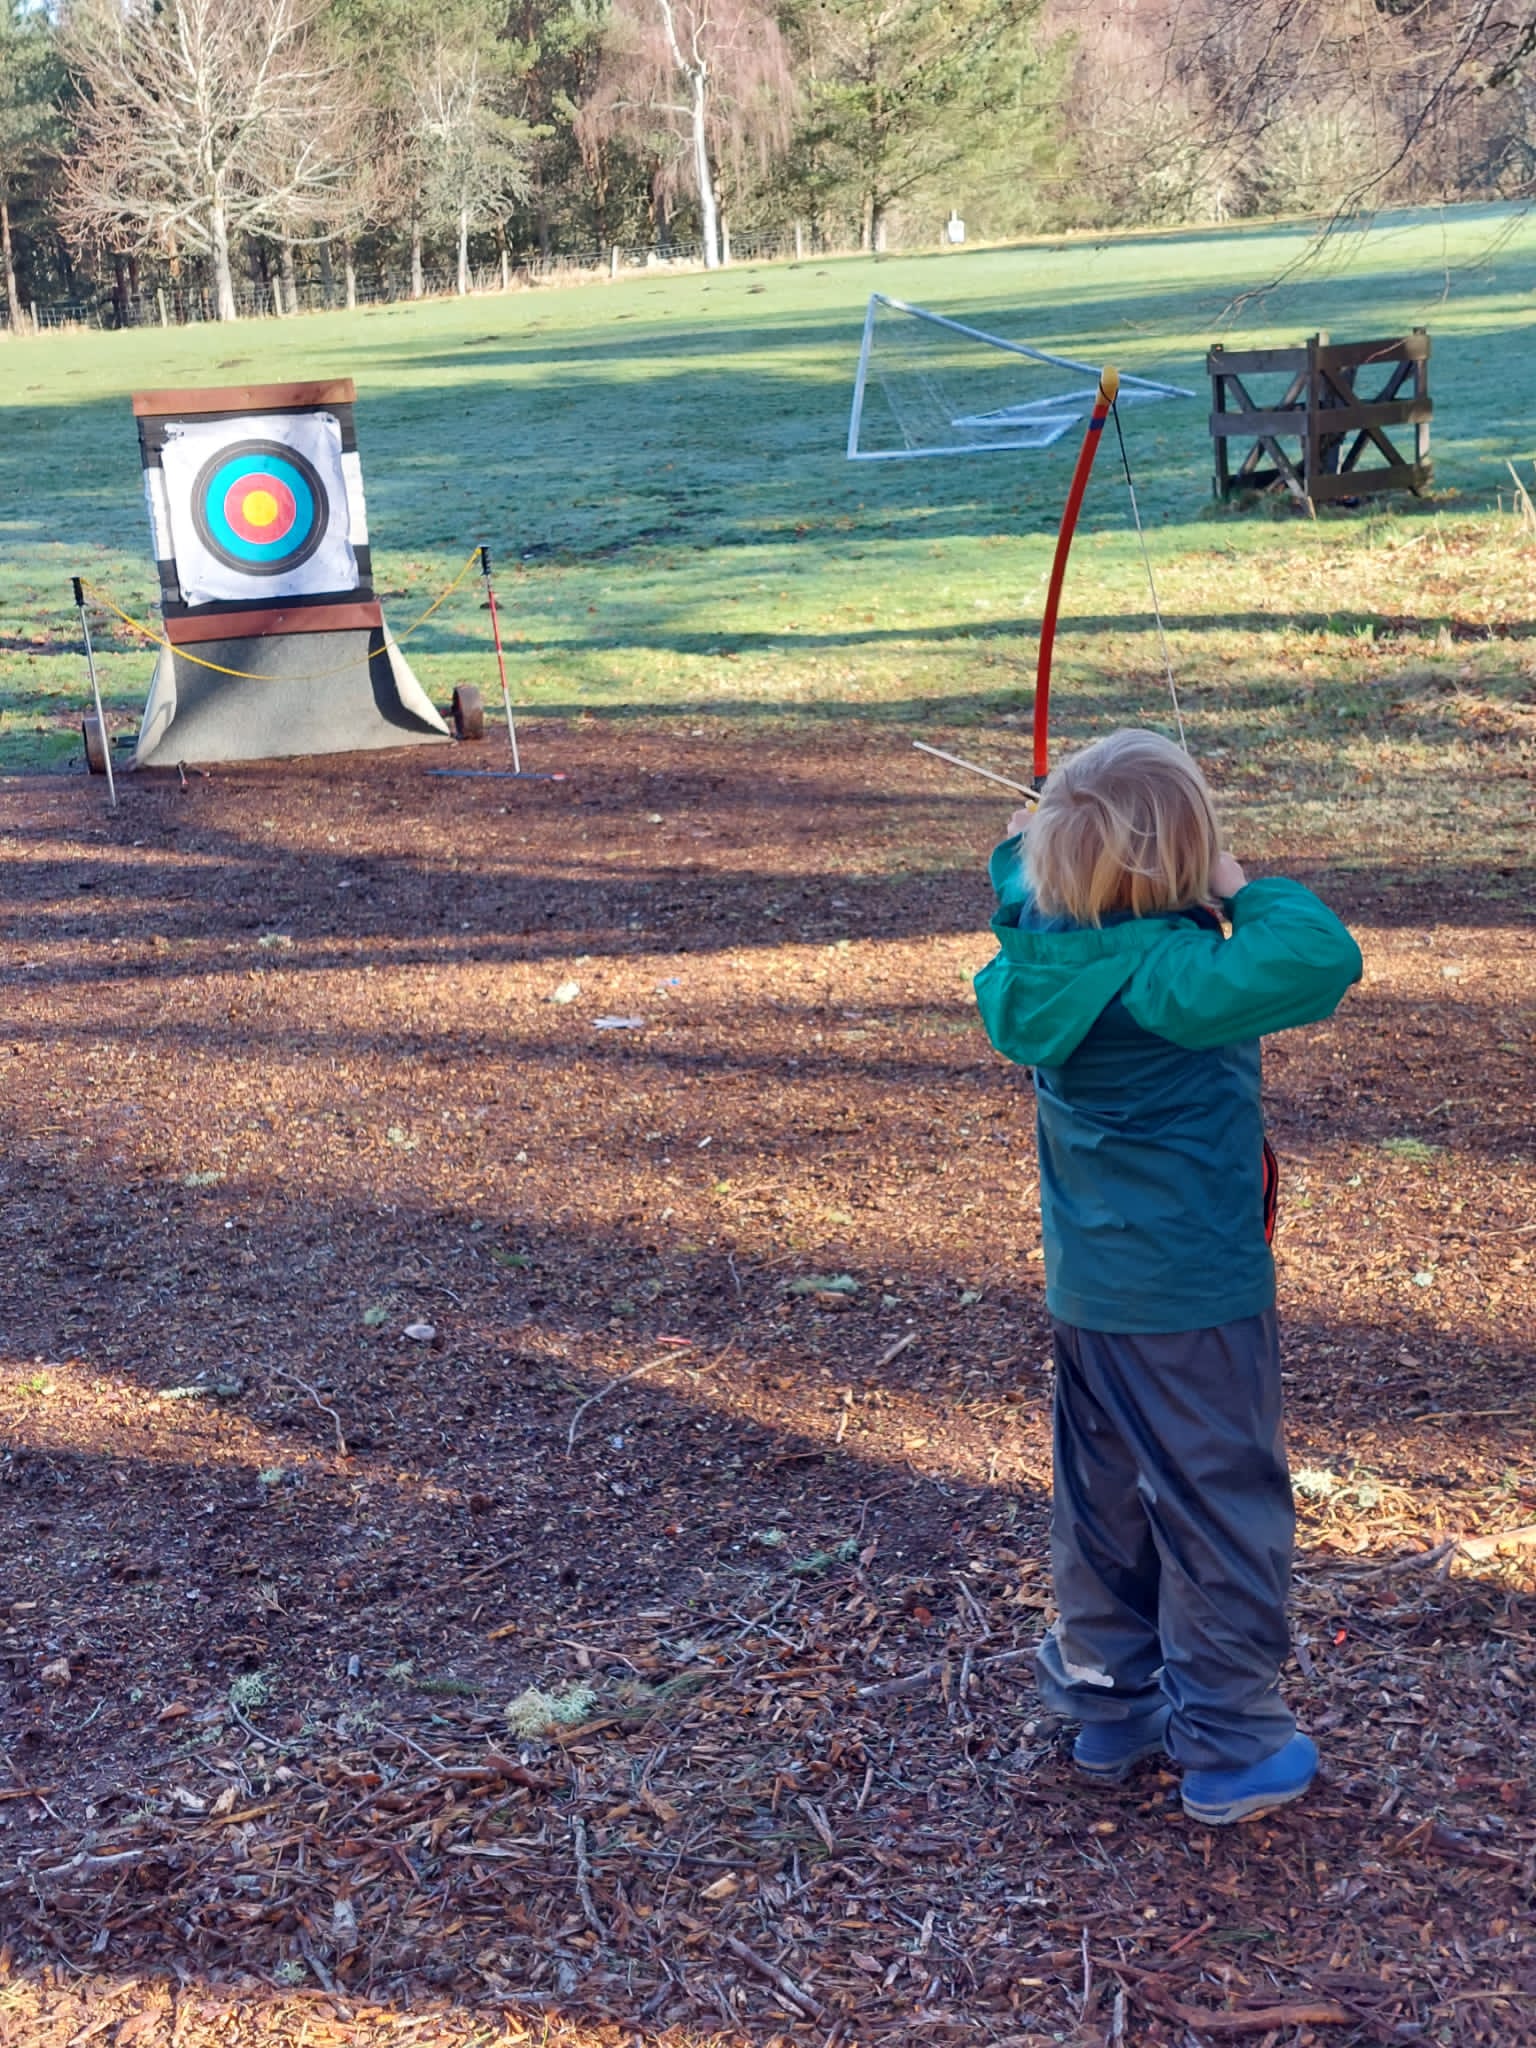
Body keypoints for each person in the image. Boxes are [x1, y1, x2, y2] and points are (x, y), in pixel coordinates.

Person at [973, 728, 1362, 1826]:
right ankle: (1233, 1743)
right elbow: (1320, 955)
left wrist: (1031, 847)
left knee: (1104, 1499)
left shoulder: (1036, 960)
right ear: (1181, 865)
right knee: (1218, 1502)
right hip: (1192, 1297)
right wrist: (1243, 886)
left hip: (1090, 1296)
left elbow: (1021, 885)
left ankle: (1110, 1701)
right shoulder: (1171, 979)